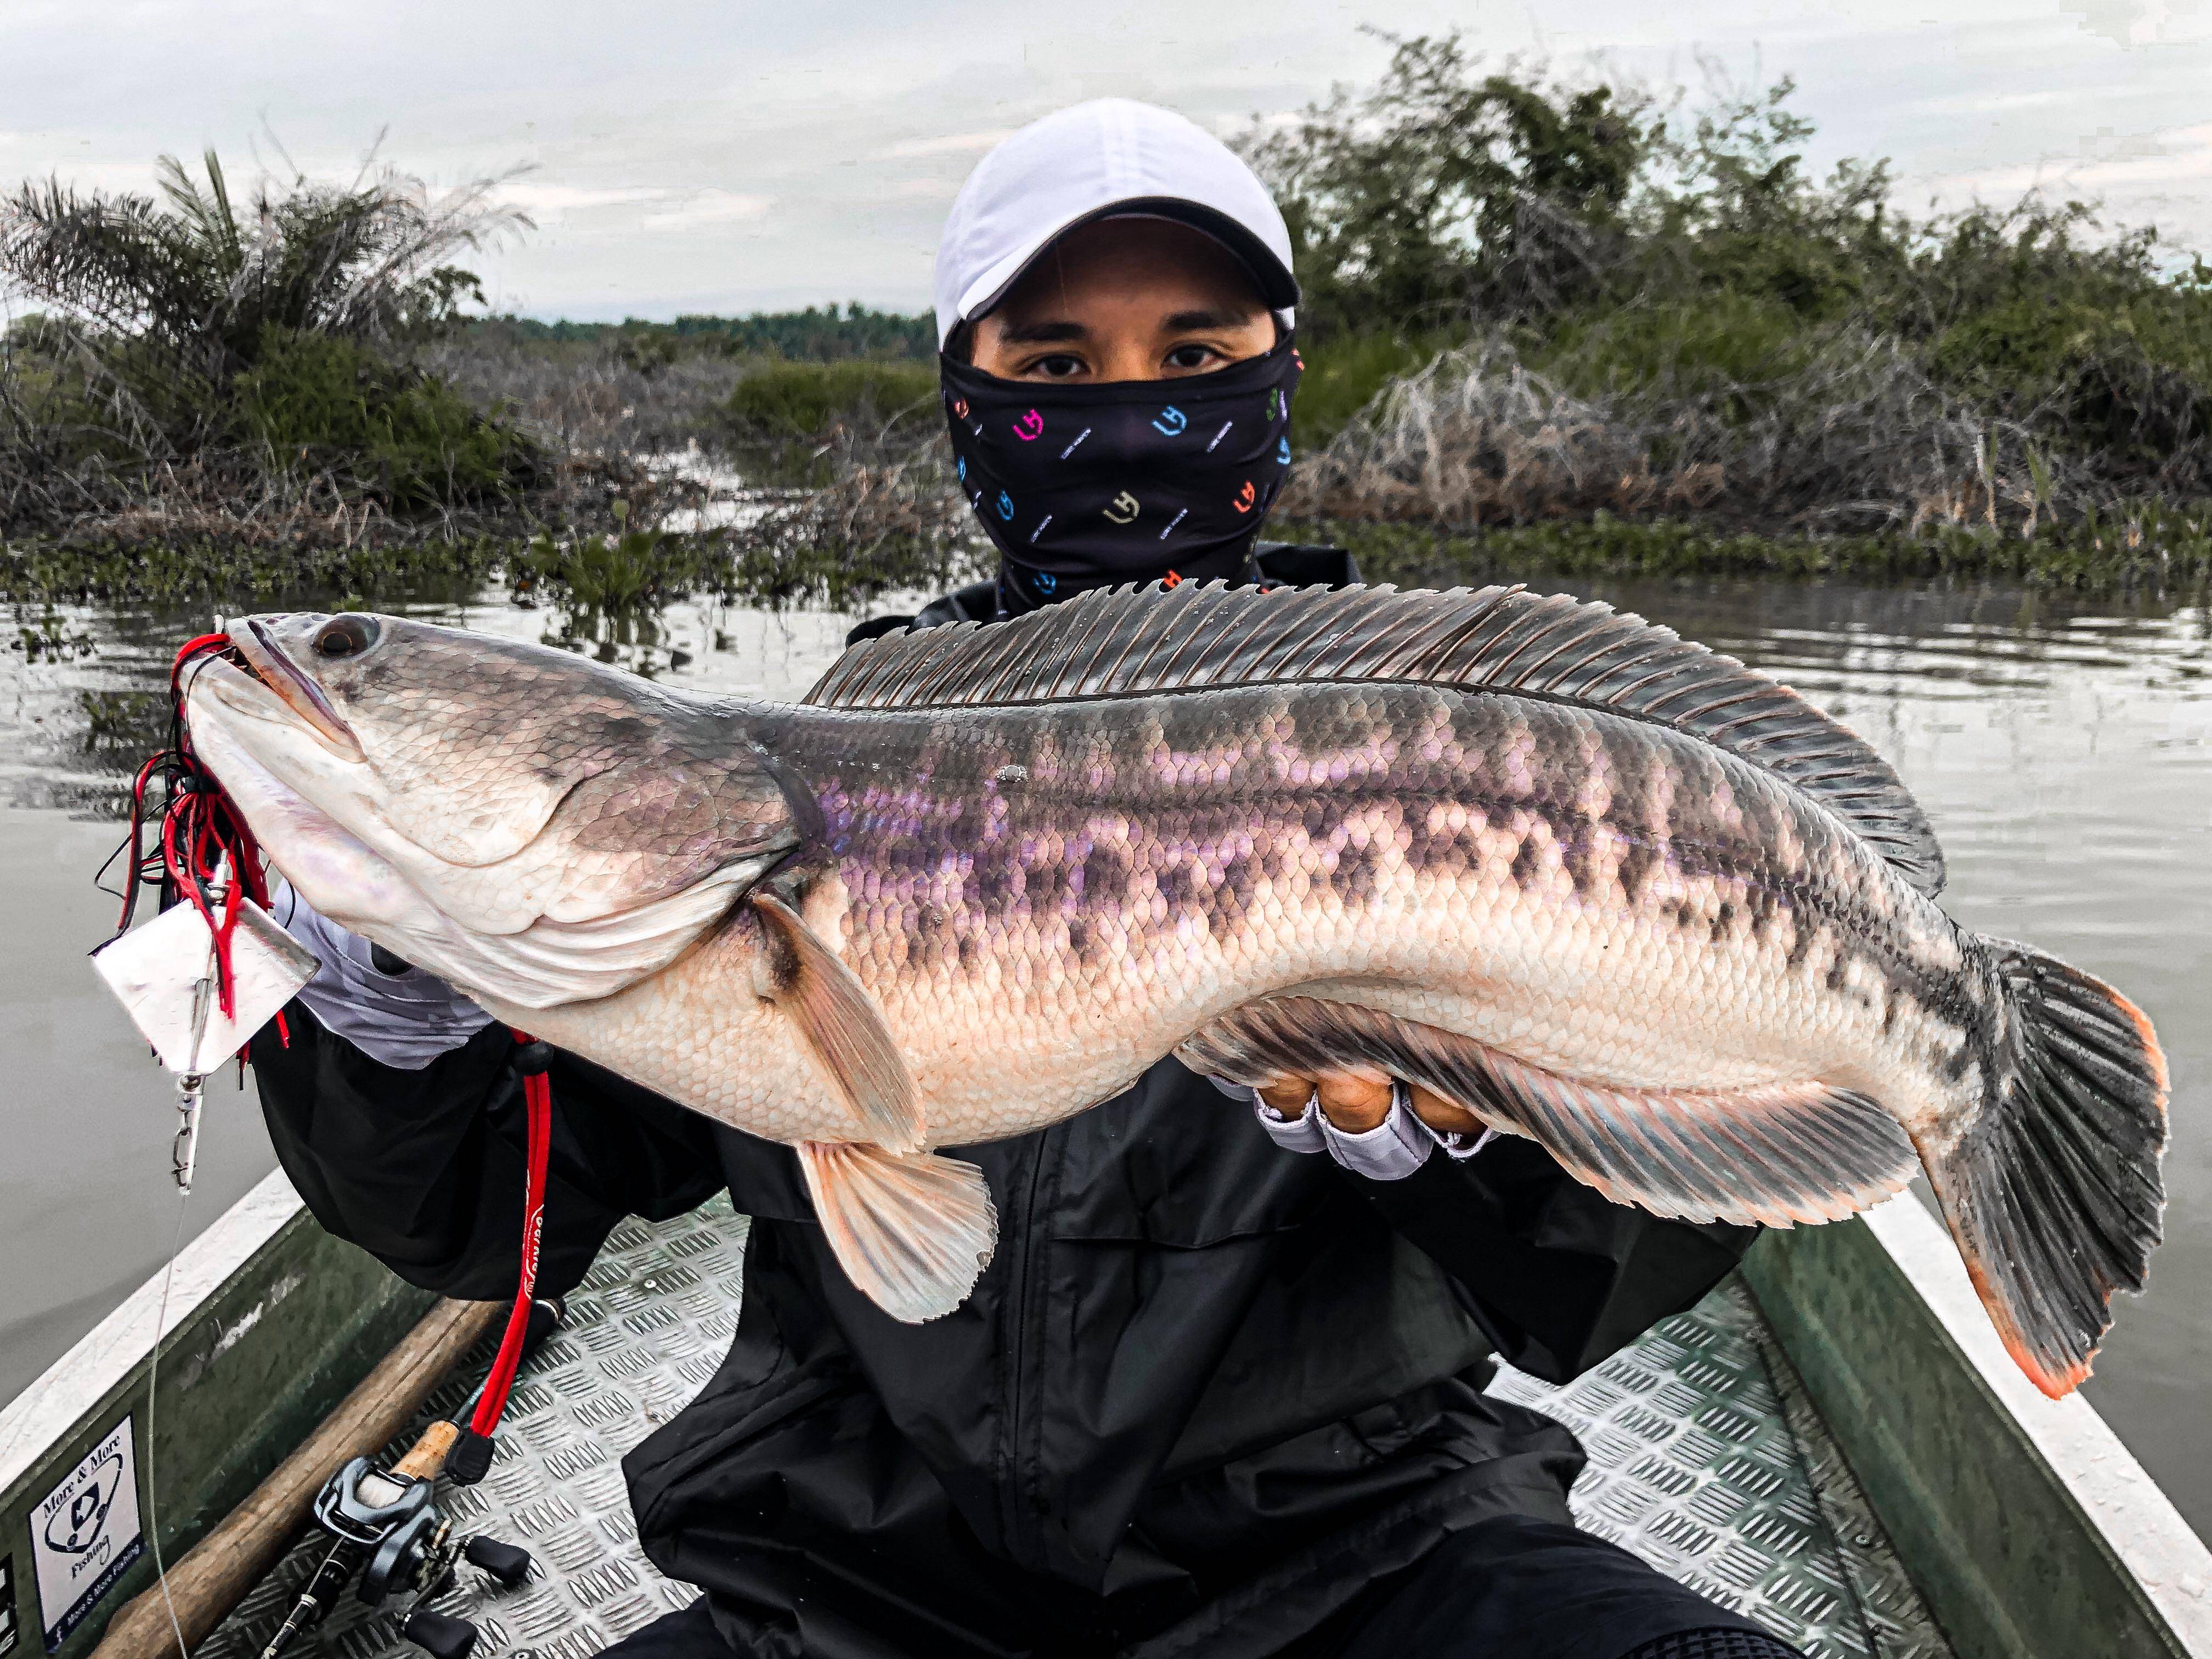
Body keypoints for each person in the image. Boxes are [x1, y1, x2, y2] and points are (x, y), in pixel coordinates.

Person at [250, 100, 1809, 1659]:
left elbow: (1601, 1292)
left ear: (1282, 380)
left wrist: (1485, 1150)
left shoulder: (1437, 755)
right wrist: (382, 1028)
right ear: (965, 400)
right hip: (850, 1587)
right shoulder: (769, 796)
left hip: (1370, 1555)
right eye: (1055, 369)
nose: (1130, 419)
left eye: (1195, 360)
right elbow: (488, 1217)